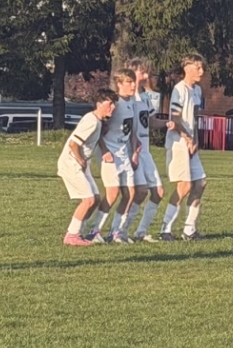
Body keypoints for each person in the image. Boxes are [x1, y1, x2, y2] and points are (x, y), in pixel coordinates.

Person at [58, 88, 118, 246]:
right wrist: (81, 160)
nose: (113, 107)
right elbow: (73, 143)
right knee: (89, 200)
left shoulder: (97, 121)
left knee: (95, 199)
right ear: (99, 104)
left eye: (114, 104)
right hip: (71, 163)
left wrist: (104, 150)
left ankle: (78, 232)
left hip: (80, 163)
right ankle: (71, 236)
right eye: (110, 103)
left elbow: (95, 139)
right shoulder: (91, 121)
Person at [91, 68, 141, 241]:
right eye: (129, 82)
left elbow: (130, 130)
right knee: (112, 193)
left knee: (130, 194)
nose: (133, 85)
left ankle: (116, 232)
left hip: (123, 153)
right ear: (119, 84)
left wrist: (134, 150)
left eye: (134, 82)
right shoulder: (114, 104)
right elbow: (99, 130)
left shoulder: (131, 102)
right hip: (110, 153)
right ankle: (94, 231)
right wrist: (105, 151)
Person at [162, 53, 207, 239]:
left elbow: (194, 118)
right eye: (198, 68)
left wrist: (195, 140)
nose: (201, 72)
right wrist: (187, 138)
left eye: (202, 68)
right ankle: (165, 229)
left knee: (200, 183)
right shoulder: (179, 90)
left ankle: (189, 229)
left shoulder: (197, 90)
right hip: (178, 143)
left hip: (190, 143)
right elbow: (175, 119)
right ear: (187, 68)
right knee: (184, 186)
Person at [130, 60, 164, 240]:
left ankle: (140, 232)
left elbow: (150, 122)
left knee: (158, 192)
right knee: (139, 192)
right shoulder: (127, 99)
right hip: (132, 151)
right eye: (142, 72)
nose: (146, 76)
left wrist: (170, 123)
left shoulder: (145, 97)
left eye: (146, 73)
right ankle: (120, 231)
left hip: (145, 151)